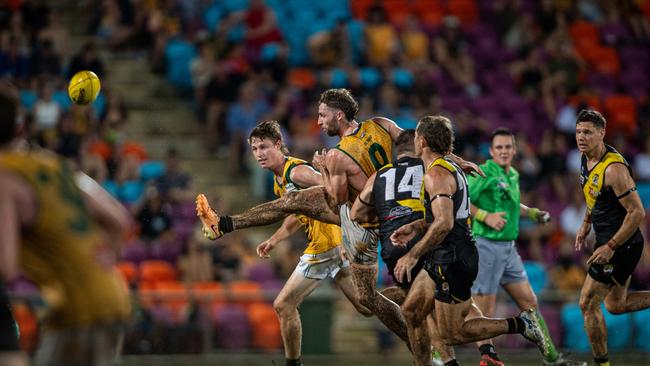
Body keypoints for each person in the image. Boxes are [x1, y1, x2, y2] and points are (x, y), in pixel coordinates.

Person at [197, 89, 483, 344]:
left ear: (339, 115)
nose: (319, 122)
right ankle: (223, 224)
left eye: (322, 116)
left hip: (362, 219)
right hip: (396, 208)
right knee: (293, 201)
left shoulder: (336, 155)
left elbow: (336, 200)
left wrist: (323, 169)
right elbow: (418, 144)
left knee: (367, 299)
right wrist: (454, 159)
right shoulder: (381, 125)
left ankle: (416, 341)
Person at [390, 116, 547, 365]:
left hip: (451, 258)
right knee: (411, 311)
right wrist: (415, 226)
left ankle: (521, 324)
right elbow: (445, 217)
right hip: (446, 253)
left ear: (422, 141)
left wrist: (412, 254)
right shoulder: (445, 166)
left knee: (451, 334)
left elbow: (444, 223)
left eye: (417, 137)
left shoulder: (437, 174)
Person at [0, 89, 132, 366]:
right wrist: (107, 257)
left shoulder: (4, 177)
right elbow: (119, 220)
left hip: (78, 310)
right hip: (110, 295)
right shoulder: (52, 163)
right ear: (20, 126)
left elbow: (6, 265)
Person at [249, 120, 372, 366]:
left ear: (278, 144)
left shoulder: (296, 171)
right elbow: (298, 212)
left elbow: (337, 192)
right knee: (367, 305)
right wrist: (275, 239)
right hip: (334, 245)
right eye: (254, 149)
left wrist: (347, 238)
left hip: (329, 246)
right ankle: (413, 303)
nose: (259, 154)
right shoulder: (279, 180)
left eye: (264, 147)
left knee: (284, 305)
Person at [467, 128, 584, 366]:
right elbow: (462, 200)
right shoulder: (483, 172)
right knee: (484, 309)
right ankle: (487, 359)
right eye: (499, 147)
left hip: (508, 249)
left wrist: (530, 212)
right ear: (491, 151)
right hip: (486, 245)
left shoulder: (512, 175)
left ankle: (552, 359)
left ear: (514, 149)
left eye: (508, 147)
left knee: (530, 303)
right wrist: (485, 217)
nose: (504, 151)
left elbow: (511, 200)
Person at [350, 129, 452, 366]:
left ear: (397, 150)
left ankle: (426, 360)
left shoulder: (380, 174)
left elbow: (356, 213)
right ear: (418, 146)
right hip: (423, 239)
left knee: (416, 308)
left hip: (391, 245)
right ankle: (442, 359)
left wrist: (384, 212)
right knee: (426, 308)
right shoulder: (430, 169)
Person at [575, 110, 650, 366]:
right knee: (615, 306)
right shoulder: (584, 157)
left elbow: (638, 212)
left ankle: (602, 364)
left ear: (602, 133)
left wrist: (610, 246)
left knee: (586, 303)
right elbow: (592, 194)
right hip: (608, 240)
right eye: (578, 132)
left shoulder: (614, 169)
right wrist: (586, 223)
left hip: (622, 244)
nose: (581, 137)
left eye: (587, 132)